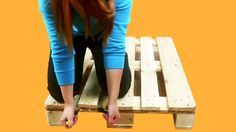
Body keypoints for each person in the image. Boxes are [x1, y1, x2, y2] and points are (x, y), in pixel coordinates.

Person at [38, 0, 133, 128]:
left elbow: (114, 47)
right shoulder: (49, 1)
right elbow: (61, 50)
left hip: (103, 35)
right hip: (71, 37)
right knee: (59, 94)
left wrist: (112, 102)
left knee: (119, 89)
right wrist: (69, 104)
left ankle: (101, 62)